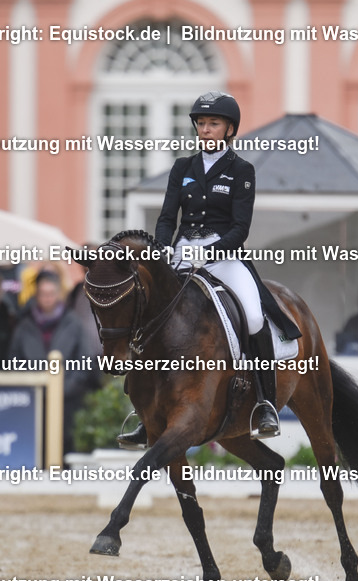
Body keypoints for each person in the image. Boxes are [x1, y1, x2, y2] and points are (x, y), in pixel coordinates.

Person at [118, 91, 300, 448]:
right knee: (148, 313)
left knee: (253, 316)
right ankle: (145, 413)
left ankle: (264, 404)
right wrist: (163, 249)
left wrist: (211, 251)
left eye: (213, 124)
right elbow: (168, 218)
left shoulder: (241, 171)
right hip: (183, 252)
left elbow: (240, 228)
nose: (205, 130)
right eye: (201, 124)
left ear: (229, 129)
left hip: (225, 256)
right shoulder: (182, 168)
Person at [10, 270, 95, 454]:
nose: (47, 298)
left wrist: (65, 388)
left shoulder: (73, 323)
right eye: (43, 294)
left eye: (51, 294)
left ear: (58, 294)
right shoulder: (25, 326)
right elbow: (14, 361)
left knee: (63, 447)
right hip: (32, 401)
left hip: (67, 401)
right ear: (36, 296)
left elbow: (84, 360)